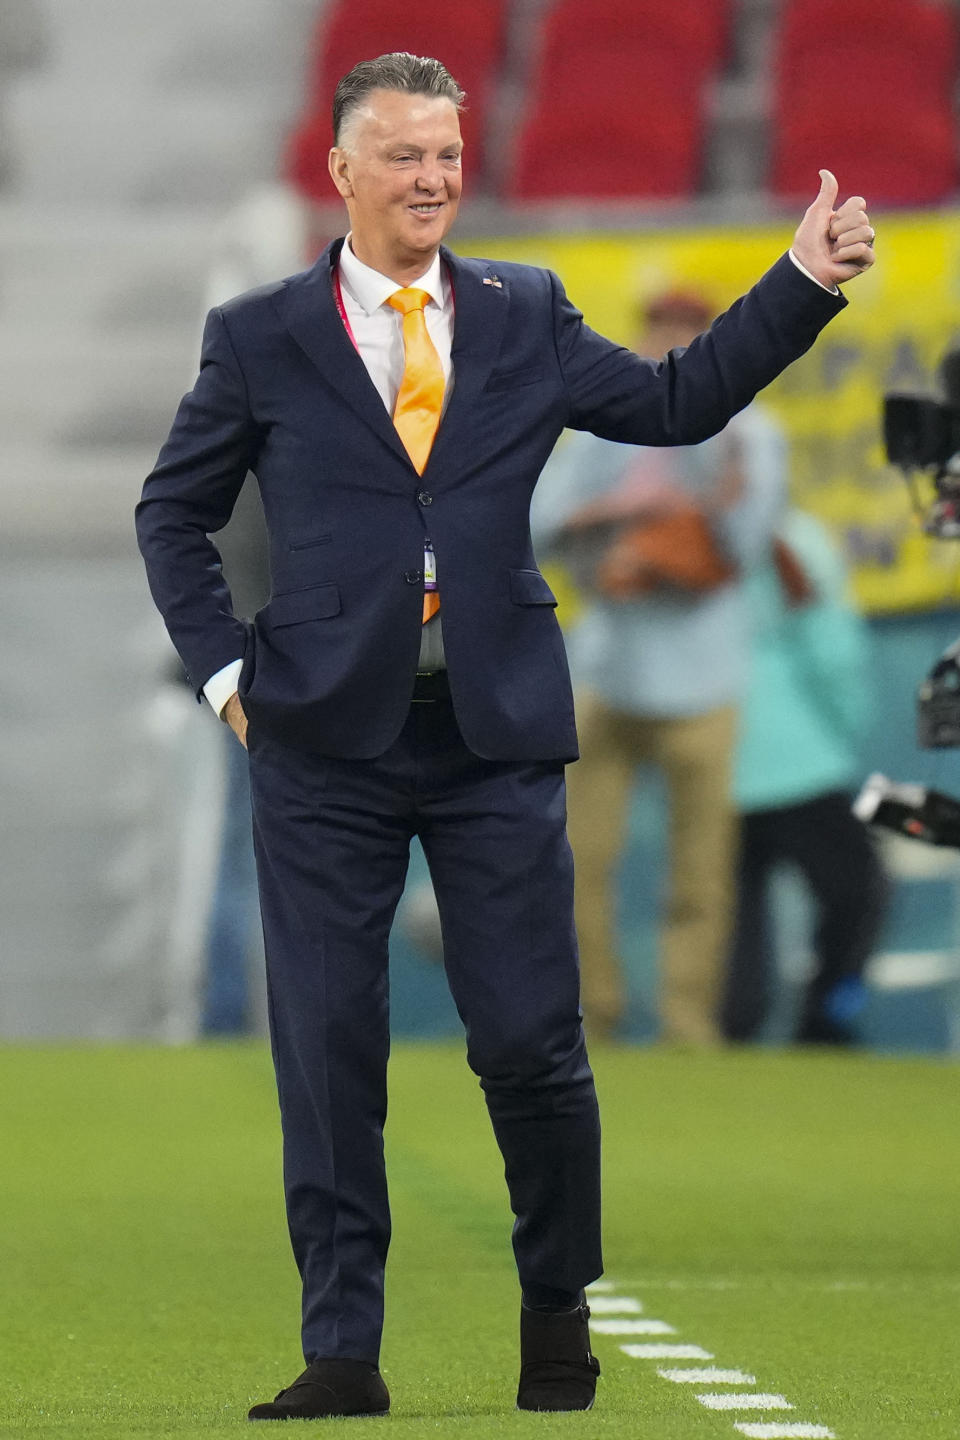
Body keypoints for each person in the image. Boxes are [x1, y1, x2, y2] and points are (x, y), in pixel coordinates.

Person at [135, 52, 875, 1420]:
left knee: (533, 1042)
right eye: (403, 156)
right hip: (319, 745)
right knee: (330, 1043)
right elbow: (169, 514)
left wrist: (802, 283)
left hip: (494, 738)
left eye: (446, 156)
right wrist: (226, 676)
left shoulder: (525, 311)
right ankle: (342, 1349)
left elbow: (674, 405)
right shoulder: (257, 336)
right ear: (342, 172)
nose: (431, 178)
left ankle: (555, 1314)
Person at [532, 291, 787, 1045]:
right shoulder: (600, 426)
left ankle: (686, 1022)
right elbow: (539, 524)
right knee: (575, 860)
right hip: (606, 672)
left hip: (705, 680)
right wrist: (625, 519)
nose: (670, 343)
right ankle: (591, 1015)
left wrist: (643, 535)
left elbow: (740, 541)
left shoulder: (749, 429)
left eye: (686, 332)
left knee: (701, 874)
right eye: (658, 328)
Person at [719, 507, 888, 1045]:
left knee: (733, 915)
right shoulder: (797, 536)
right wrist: (844, 727)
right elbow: (832, 647)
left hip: (712, 759)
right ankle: (826, 1018)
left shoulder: (685, 528)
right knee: (859, 889)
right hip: (797, 760)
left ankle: (731, 1036)